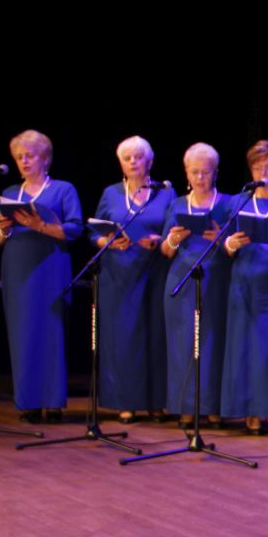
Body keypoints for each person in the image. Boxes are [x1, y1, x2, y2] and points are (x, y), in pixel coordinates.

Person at [0, 129, 83, 423]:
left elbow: (75, 229)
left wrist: (39, 225)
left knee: (51, 332)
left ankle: (53, 402)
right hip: (18, 269)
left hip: (51, 267)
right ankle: (28, 402)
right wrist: (3, 228)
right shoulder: (10, 193)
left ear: (45, 159)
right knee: (23, 333)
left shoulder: (63, 189)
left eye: (29, 156)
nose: (24, 161)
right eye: (19, 157)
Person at [93, 135, 174, 423]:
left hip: (154, 269)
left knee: (154, 334)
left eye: (138, 157)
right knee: (123, 337)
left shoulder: (165, 192)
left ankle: (156, 401)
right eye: (127, 158)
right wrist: (107, 241)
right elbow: (94, 231)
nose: (133, 162)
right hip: (118, 273)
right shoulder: (111, 193)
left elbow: (173, 229)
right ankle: (125, 401)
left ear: (149, 162)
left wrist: (158, 239)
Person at [220, 140, 268, 435]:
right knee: (245, 346)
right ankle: (250, 409)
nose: (263, 172)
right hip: (245, 280)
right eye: (257, 167)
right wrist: (231, 243)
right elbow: (224, 244)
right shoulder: (238, 201)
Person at [159, 143, 233, 425]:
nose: (200, 178)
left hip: (216, 280)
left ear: (216, 172)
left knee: (213, 343)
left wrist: (222, 239)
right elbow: (165, 250)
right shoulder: (178, 204)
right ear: (186, 173)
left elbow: (235, 249)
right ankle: (185, 406)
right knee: (183, 344)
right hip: (182, 279)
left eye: (206, 172)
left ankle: (213, 406)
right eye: (194, 172)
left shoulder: (228, 203)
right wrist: (173, 239)